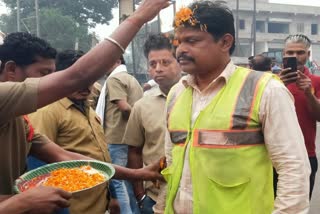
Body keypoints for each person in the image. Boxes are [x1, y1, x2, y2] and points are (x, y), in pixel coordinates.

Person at [0, 0, 170, 212]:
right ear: (11, 70)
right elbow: (76, 76)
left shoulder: (20, 119)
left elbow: (66, 157)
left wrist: (137, 174)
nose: (51, 83)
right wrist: (139, 17)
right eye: (44, 75)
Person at [162, 1, 310, 213]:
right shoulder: (177, 93)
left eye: (192, 41)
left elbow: (293, 168)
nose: (181, 50)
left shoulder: (265, 90)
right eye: (178, 42)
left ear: (225, 42)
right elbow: (172, 163)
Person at [28, 50, 112, 214]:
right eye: (79, 80)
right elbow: (37, 167)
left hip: (98, 204)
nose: (86, 86)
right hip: (71, 208)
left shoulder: (89, 110)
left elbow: (101, 155)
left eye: (90, 79)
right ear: (64, 78)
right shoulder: (47, 110)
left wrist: (113, 197)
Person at [124, 34, 181, 213]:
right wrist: (140, 195)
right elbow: (134, 151)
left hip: (193, 195)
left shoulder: (198, 98)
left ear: (180, 62)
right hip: (154, 198)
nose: (158, 69)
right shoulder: (142, 106)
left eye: (166, 62)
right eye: (153, 64)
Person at [96, 55, 143, 214]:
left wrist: (137, 121)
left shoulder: (114, 79)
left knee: (116, 180)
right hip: (130, 138)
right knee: (127, 180)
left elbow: (124, 107)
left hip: (116, 137)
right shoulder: (132, 80)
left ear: (117, 61)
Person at [279, 34, 320, 199]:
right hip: (271, 155)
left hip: (304, 155)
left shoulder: (316, 81)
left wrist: (308, 93)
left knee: (299, 207)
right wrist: (278, 86)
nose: (295, 57)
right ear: (284, 54)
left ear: (308, 55)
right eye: (290, 53)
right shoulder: (270, 81)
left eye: (300, 52)